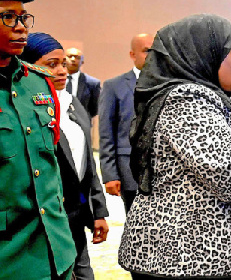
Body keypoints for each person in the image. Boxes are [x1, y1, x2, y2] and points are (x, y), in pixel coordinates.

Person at [120, 14, 231, 280]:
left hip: (198, 258)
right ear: (205, 53)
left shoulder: (208, 99)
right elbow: (229, 173)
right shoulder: (187, 100)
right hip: (183, 259)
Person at [0, 0, 77, 279]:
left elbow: (50, 160)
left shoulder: (38, 83)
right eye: (8, 17)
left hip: (57, 250)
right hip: (9, 259)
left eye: (23, 18)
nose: (21, 28)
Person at [20, 32, 109, 280]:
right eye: (51, 64)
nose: (62, 71)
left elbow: (87, 165)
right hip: (41, 223)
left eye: (63, 64)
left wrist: (98, 211)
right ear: (27, 65)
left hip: (75, 214)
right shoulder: (24, 111)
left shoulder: (71, 103)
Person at [99, 33, 153, 213]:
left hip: (162, 173)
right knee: (134, 225)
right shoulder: (114, 86)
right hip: (128, 171)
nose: (152, 56)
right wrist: (109, 174)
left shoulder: (169, 86)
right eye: (146, 51)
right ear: (133, 55)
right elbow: (107, 132)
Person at [65, 47, 100, 119]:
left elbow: (95, 109)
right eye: (70, 56)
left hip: (81, 125)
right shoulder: (53, 80)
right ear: (63, 60)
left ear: (82, 61)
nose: (73, 59)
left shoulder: (92, 83)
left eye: (77, 57)